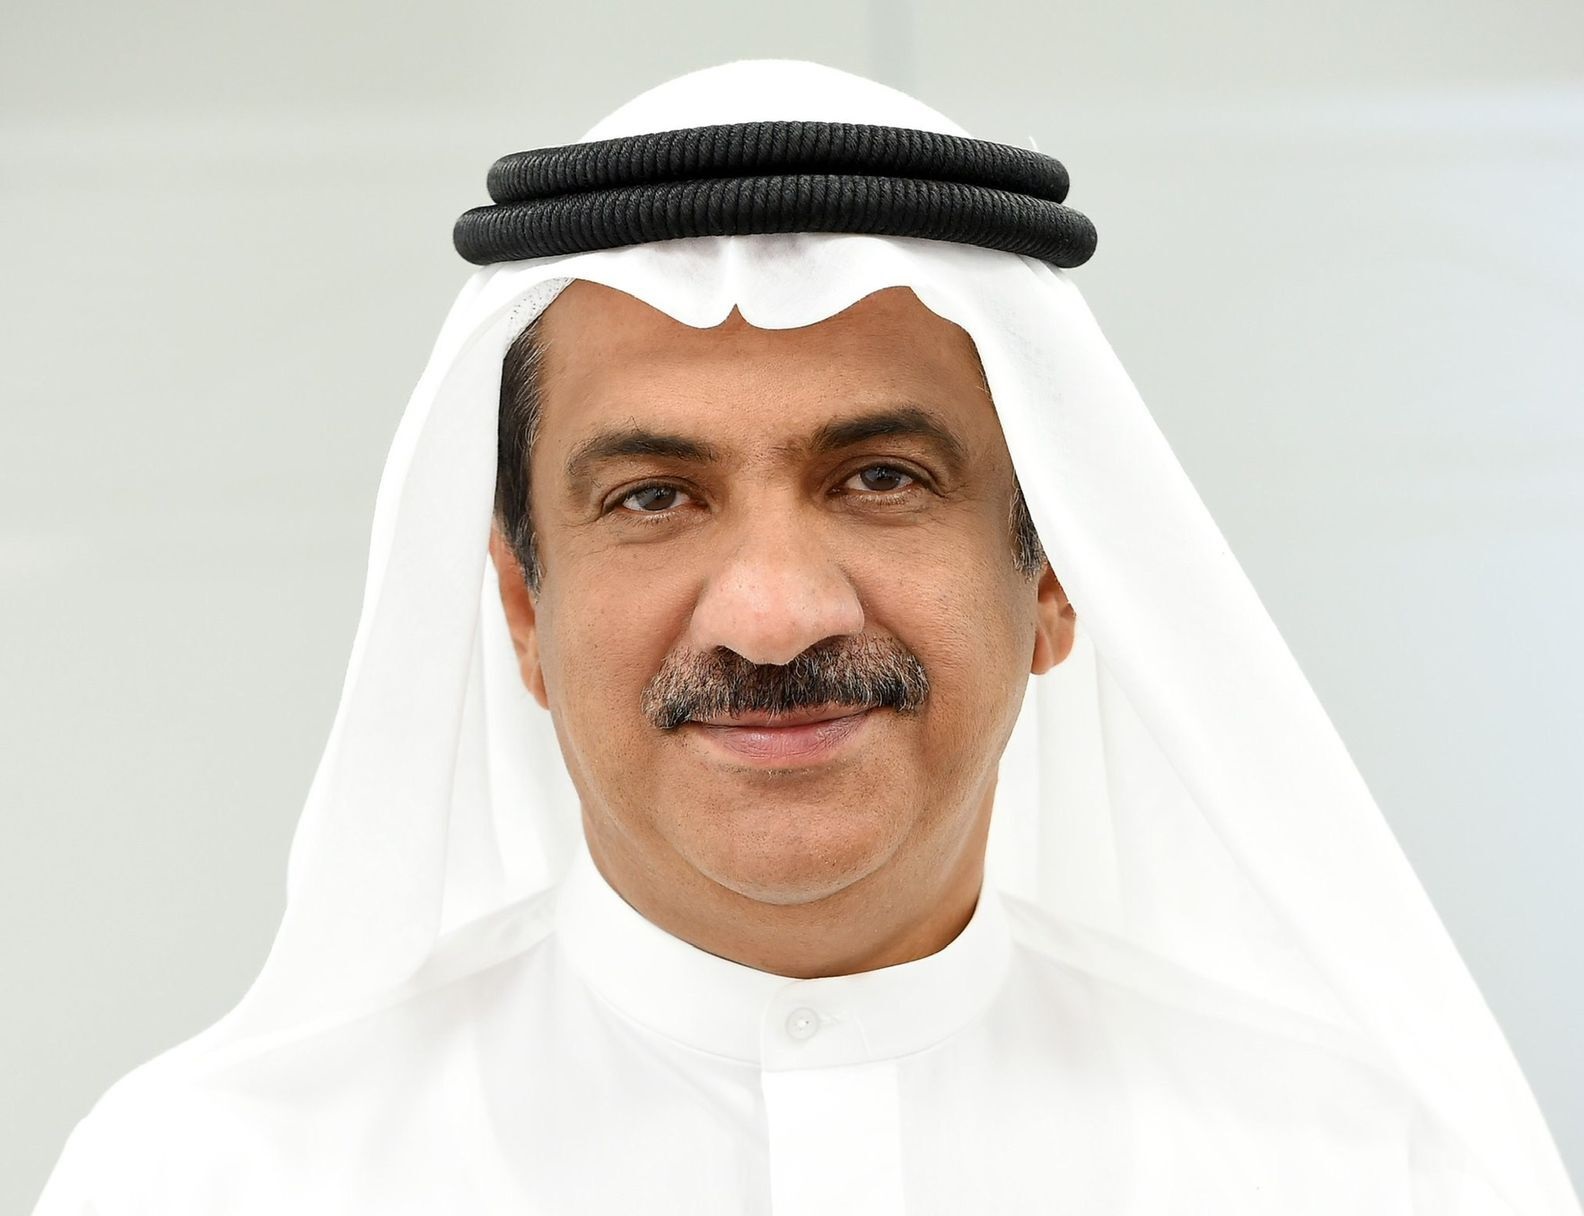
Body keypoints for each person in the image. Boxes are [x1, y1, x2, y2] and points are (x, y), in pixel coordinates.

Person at [32, 58, 1581, 1215]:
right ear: (522, 605)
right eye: (653, 498)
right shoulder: (212, 1180)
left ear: (1054, 582)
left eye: (882, 479)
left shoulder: (1355, 1170)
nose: (774, 616)